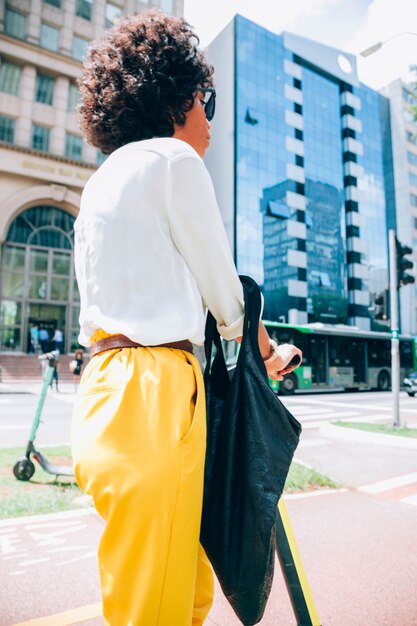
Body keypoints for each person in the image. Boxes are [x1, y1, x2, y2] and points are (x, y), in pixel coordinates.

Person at [71, 10, 302, 626]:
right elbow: (227, 302)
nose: (208, 119)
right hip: (157, 393)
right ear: (178, 96)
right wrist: (268, 350)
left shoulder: (99, 185)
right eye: (206, 100)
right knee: (168, 604)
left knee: (146, 587)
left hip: (101, 390)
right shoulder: (173, 162)